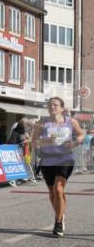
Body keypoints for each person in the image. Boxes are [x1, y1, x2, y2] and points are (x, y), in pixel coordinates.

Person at [31, 97, 85, 236]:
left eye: (55, 105)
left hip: (65, 158)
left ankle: (58, 221)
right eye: (50, 105)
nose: (52, 106)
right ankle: (61, 213)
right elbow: (34, 143)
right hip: (47, 160)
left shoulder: (70, 121)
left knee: (58, 188)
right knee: (52, 192)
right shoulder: (41, 124)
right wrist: (46, 141)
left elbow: (81, 135)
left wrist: (74, 143)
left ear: (61, 108)